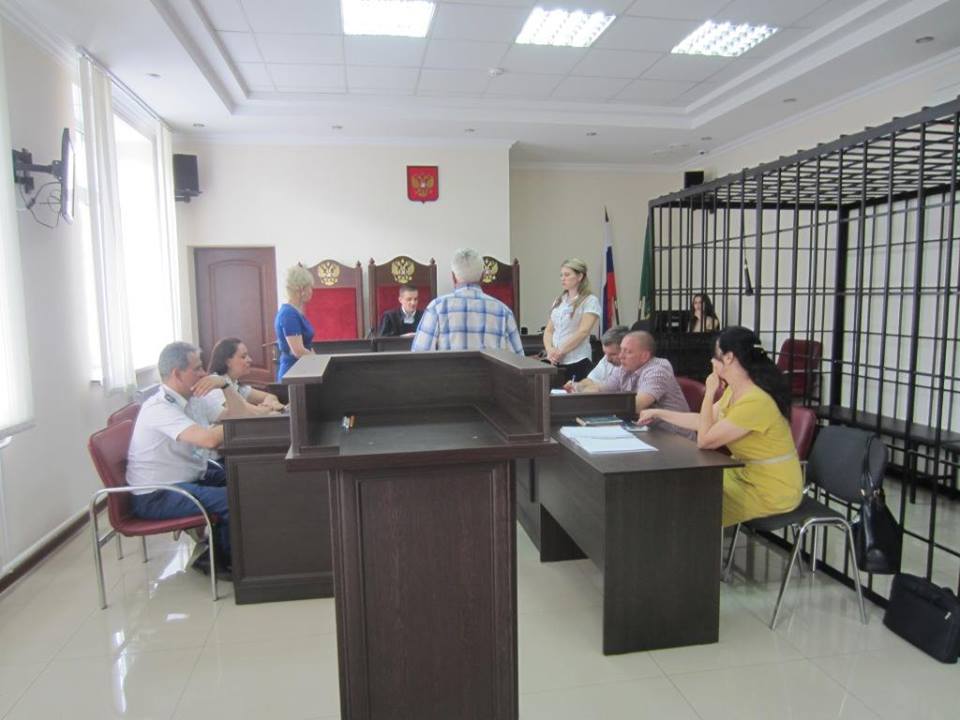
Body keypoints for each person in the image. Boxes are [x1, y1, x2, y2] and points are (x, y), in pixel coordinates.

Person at [637, 326, 802, 527]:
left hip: (769, 487)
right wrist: (658, 413)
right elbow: (702, 421)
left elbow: (705, 440)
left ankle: (692, 554)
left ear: (729, 358)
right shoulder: (734, 391)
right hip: (743, 474)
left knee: (695, 503)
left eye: (715, 356)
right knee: (685, 487)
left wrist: (709, 392)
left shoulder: (756, 400)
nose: (711, 361)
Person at [127, 342, 244, 575]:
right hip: (157, 494)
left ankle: (227, 549)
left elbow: (239, 414)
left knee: (244, 479)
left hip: (187, 475)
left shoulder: (192, 399)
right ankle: (223, 561)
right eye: (197, 368)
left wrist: (226, 385)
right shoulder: (159, 408)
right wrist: (235, 424)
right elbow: (210, 440)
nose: (204, 374)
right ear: (177, 374)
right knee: (234, 499)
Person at [575, 331, 692, 436]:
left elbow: (635, 406)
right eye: (621, 350)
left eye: (627, 352)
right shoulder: (624, 368)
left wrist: (598, 402)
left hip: (674, 437)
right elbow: (602, 389)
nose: (621, 356)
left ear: (644, 356)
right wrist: (578, 388)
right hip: (646, 431)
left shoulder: (658, 369)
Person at [411, 248, 523, 354]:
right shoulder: (504, 311)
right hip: (491, 375)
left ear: (453, 277)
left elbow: (419, 358)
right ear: (483, 277)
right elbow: (519, 362)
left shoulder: (436, 308)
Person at [543, 258, 601, 384]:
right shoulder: (559, 300)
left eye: (567, 275)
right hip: (556, 360)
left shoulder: (590, 300)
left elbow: (583, 331)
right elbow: (549, 330)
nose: (562, 278)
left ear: (580, 276)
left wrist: (560, 351)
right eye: (561, 275)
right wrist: (550, 350)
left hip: (577, 360)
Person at [202, 337, 285, 417]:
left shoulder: (234, 383)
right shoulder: (216, 385)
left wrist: (271, 404)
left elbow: (270, 396)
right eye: (243, 357)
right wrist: (271, 408)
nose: (250, 360)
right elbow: (247, 412)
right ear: (228, 362)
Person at [275, 264, 315, 380]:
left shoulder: (296, 312)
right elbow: (298, 351)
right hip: (293, 372)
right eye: (309, 287)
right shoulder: (288, 314)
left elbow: (307, 345)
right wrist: (319, 362)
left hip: (301, 369)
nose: (311, 291)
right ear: (301, 289)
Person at [563, 325, 627, 391]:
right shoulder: (606, 359)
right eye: (605, 353)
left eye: (613, 354)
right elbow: (591, 380)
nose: (608, 359)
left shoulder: (628, 369)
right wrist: (578, 385)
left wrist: (583, 389)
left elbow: (601, 390)